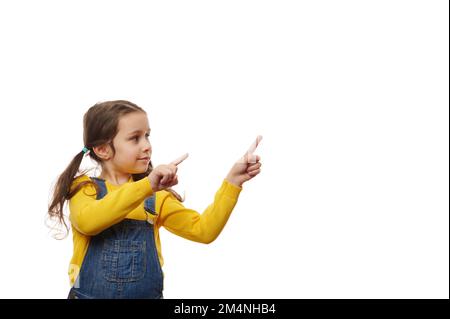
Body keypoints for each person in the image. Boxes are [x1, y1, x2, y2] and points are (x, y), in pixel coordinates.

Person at [48, 100, 262, 299]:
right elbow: (89, 221)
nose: (147, 145)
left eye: (147, 136)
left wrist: (233, 182)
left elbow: (204, 231)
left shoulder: (156, 197)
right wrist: (147, 185)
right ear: (103, 149)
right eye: (135, 138)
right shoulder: (85, 188)